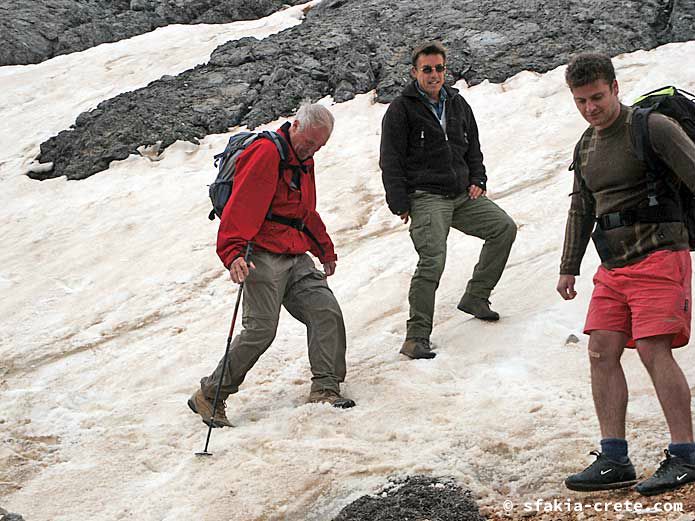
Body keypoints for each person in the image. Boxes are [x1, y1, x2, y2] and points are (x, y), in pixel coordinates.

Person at [558, 52, 695, 495]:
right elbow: (582, 205)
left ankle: (686, 455)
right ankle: (615, 457)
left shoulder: (652, 128)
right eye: (581, 101)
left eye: (596, 97)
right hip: (613, 265)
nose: (590, 108)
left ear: (615, 88)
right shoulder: (585, 144)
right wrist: (568, 267)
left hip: (659, 255)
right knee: (601, 351)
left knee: (654, 349)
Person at [189, 103, 355, 428]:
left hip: (295, 255)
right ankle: (210, 394)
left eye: (318, 147)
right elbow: (241, 207)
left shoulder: (304, 161)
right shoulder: (266, 153)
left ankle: (326, 389)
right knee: (261, 331)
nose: (311, 151)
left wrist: (325, 250)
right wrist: (233, 253)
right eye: (308, 143)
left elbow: (305, 212)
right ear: (295, 126)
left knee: (325, 310)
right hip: (261, 254)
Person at [379, 41, 517, 360]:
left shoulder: (456, 102)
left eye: (439, 68)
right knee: (432, 261)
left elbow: (473, 147)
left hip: (461, 194)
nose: (434, 74)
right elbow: (391, 160)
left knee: (503, 228)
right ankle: (416, 338)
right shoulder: (400, 109)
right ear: (414, 72)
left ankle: (476, 297)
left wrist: (478, 179)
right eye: (427, 69)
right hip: (426, 197)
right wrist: (399, 202)